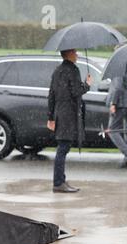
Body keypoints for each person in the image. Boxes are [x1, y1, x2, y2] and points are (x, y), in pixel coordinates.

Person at [47, 49, 92, 193]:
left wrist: (50, 117)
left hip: (61, 114)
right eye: (75, 52)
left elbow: (51, 95)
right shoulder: (73, 70)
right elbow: (76, 92)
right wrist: (87, 84)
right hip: (69, 115)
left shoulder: (57, 71)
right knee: (63, 148)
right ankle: (58, 182)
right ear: (69, 55)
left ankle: (61, 180)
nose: (77, 54)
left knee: (63, 147)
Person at [106, 75, 127, 168]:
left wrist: (113, 103)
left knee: (112, 130)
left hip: (120, 103)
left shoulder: (120, 69)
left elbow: (118, 87)